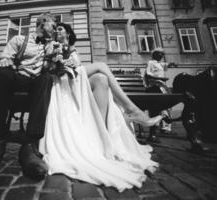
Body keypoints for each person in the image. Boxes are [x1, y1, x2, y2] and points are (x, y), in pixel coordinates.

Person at [39, 23, 159, 192]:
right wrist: (56, 59)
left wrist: (66, 60)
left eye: (60, 28)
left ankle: (100, 133)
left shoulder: (72, 48)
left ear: (67, 32)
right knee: (101, 66)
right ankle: (132, 109)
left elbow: (74, 67)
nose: (57, 30)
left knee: (102, 79)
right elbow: (50, 68)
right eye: (55, 29)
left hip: (73, 79)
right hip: (61, 81)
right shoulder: (51, 46)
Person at [0, 13, 55, 181]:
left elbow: (54, 65)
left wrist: (53, 53)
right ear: (42, 23)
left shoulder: (51, 45)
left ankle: (30, 144)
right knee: (0, 74)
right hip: (19, 76)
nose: (55, 27)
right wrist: (5, 62)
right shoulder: (19, 40)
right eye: (53, 24)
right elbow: (5, 57)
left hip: (36, 82)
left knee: (46, 79)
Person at [144, 48, 176, 141]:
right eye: (160, 54)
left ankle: (165, 128)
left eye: (163, 54)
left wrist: (171, 64)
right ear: (154, 55)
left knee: (167, 107)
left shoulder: (159, 64)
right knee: (157, 108)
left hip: (162, 88)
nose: (162, 56)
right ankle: (155, 131)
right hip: (155, 88)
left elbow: (165, 65)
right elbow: (148, 75)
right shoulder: (151, 63)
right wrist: (161, 78)